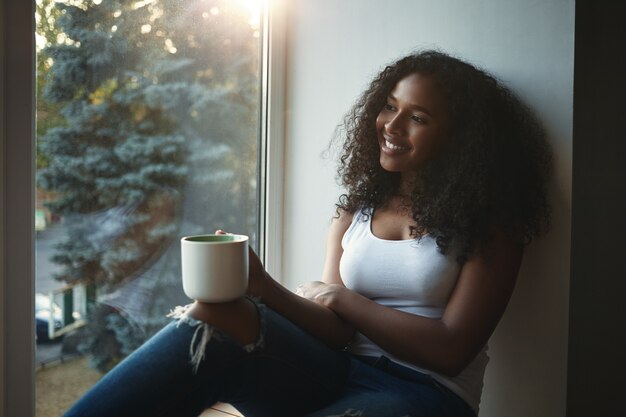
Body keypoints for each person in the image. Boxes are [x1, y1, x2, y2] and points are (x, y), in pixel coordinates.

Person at [63, 50, 552, 417]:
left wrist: (342, 298)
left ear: (460, 139)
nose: (392, 125)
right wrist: (261, 287)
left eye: (418, 118)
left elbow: (451, 349)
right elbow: (337, 334)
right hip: (335, 371)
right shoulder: (358, 208)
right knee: (218, 315)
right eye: (389, 107)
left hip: (424, 394)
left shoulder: (492, 222)